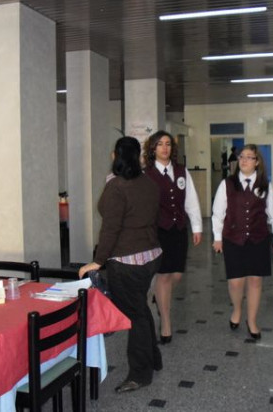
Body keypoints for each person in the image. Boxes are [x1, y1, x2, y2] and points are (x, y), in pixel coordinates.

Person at [78, 136, 163, 393]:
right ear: (138, 156)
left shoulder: (117, 186)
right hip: (150, 256)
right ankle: (154, 358)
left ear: (115, 156)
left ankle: (140, 374)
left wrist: (98, 261)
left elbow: (110, 228)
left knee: (135, 315)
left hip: (127, 261)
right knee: (140, 308)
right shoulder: (148, 182)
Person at [211, 144, 273, 340]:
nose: (244, 160)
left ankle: (252, 320)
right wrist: (217, 237)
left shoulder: (265, 186)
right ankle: (237, 309)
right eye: (242, 157)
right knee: (236, 282)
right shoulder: (227, 184)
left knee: (255, 281)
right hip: (233, 239)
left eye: (249, 157)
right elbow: (218, 213)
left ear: (257, 162)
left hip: (258, 239)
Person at [143, 130, 202, 344]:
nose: (164, 148)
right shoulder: (146, 174)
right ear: (153, 149)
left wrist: (197, 227)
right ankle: (166, 323)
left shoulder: (181, 171)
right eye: (160, 144)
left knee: (176, 275)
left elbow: (191, 200)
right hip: (158, 231)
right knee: (164, 275)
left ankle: (160, 298)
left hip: (178, 229)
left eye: (168, 144)